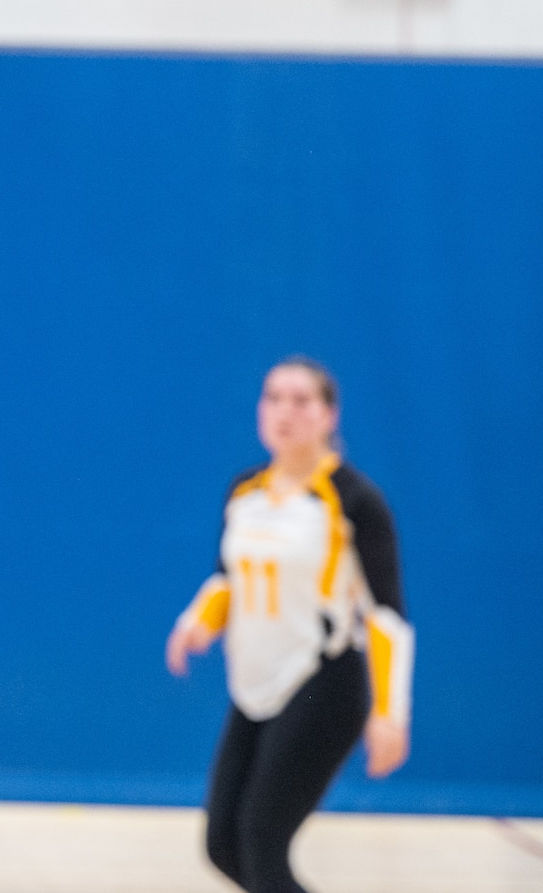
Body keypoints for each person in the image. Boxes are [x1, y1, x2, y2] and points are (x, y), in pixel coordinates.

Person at [166, 358, 414, 893]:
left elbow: (387, 616)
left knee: (261, 841)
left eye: (301, 401)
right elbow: (228, 578)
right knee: (223, 845)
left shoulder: (353, 501)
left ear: (328, 415)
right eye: (273, 398)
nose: (285, 412)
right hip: (256, 683)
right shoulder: (246, 492)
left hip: (322, 684)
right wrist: (197, 622)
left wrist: (389, 713)